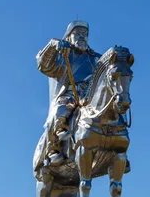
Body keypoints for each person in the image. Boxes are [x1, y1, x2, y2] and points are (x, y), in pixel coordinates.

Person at [36, 20, 101, 165]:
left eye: (85, 34)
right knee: (60, 109)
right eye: (77, 33)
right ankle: (53, 148)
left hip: (91, 97)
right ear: (69, 36)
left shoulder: (95, 58)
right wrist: (53, 45)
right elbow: (42, 64)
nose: (82, 37)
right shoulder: (62, 53)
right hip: (69, 95)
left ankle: (117, 146)